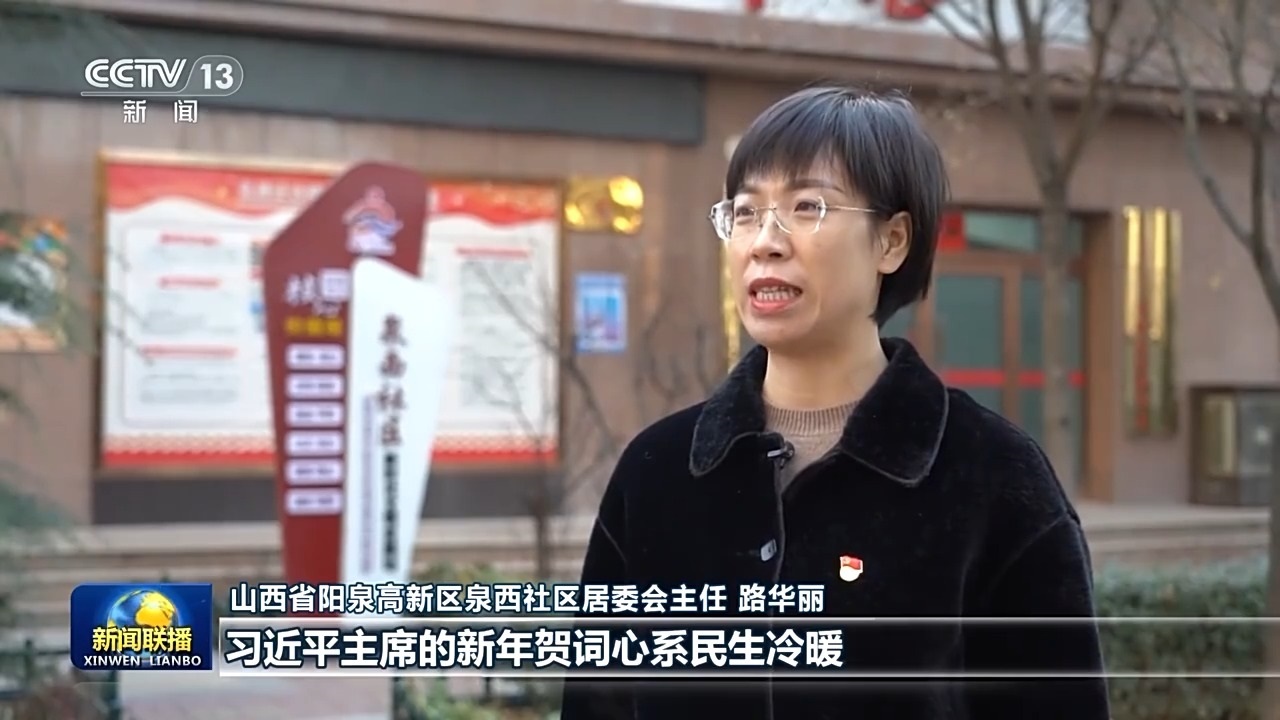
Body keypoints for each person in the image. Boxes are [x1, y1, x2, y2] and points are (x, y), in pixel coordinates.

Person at [559, 86, 1108, 720]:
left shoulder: (995, 477)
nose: (765, 242)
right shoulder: (657, 472)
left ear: (891, 241)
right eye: (745, 213)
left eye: (807, 206)